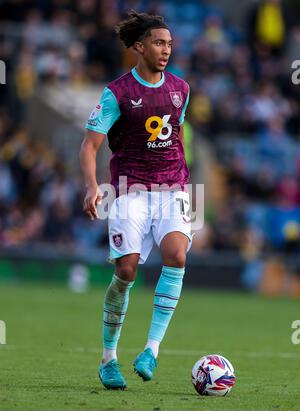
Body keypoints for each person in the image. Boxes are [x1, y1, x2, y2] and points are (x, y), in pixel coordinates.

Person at [80, 10, 192, 390]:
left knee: (176, 255)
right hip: (129, 190)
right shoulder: (117, 93)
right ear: (139, 47)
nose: (166, 50)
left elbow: (175, 135)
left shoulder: (181, 89)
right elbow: (90, 144)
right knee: (127, 271)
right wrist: (93, 186)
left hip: (173, 188)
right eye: (159, 43)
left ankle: (151, 350)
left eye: (170, 44)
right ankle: (109, 358)